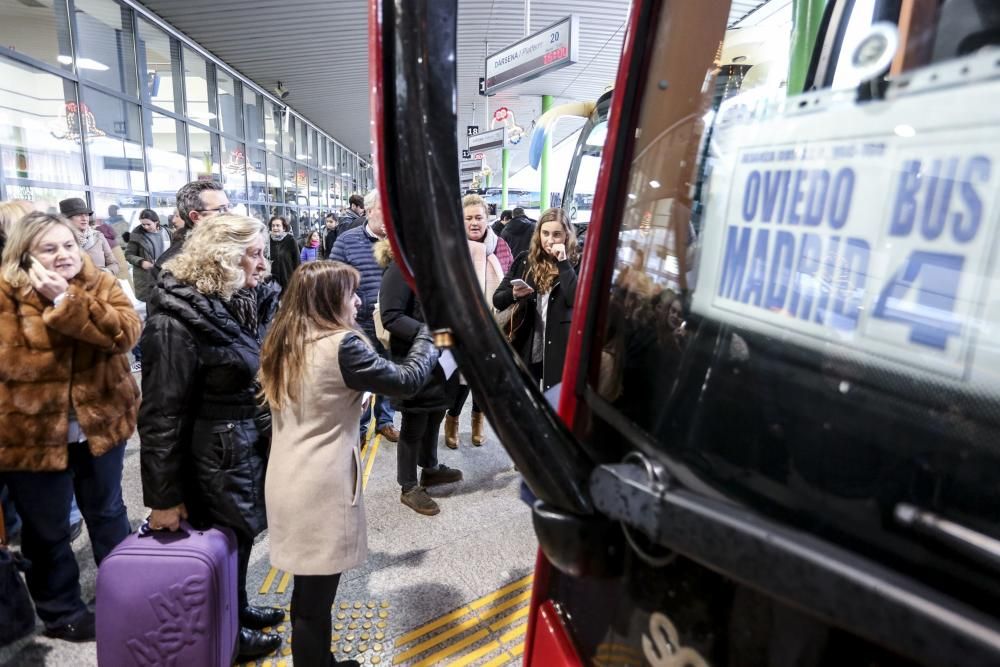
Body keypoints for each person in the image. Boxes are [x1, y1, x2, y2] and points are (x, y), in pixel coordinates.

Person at [260, 261, 438, 666]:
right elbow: (405, 380)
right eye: (350, 293)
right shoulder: (341, 345)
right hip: (321, 484)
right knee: (313, 601)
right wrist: (429, 334)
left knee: (308, 594)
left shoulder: (284, 338)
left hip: (288, 476)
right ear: (327, 301)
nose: (358, 301)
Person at [138, 213, 284, 662]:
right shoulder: (174, 321)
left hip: (236, 446)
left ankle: (236, 611)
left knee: (235, 542)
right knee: (222, 544)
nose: (264, 265)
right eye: (254, 255)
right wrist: (163, 497)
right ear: (223, 259)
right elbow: (161, 414)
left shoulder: (230, 301)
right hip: (213, 455)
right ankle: (227, 634)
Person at [0, 212, 139, 642]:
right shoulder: (6, 295)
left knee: (109, 513)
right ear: (25, 254)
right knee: (48, 529)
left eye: (68, 244)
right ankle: (61, 611)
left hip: (101, 425)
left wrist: (68, 304)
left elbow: (127, 334)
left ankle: (127, 594)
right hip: (32, 436)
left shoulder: (99, 283)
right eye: (49, 248)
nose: (63, 255)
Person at [377, 239, 463, 516]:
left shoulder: (434, 269)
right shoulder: (400, 270)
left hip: (441, 356)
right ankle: (408, 486)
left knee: (435, 413)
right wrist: (436, 336)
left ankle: (431, 468)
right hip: (415, 357)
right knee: (414, 424)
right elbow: (391, 317)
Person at [331, 190, 400, 444]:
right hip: (358, 324)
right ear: (369, 211)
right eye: (383, 210)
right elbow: (334, 280)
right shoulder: (347, 241)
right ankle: (359, 426)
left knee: (389, 372)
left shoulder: (400, 243)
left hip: (393, 324)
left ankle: (385, 421)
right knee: (360, 378)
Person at [445, 194, 513, 448]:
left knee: (484, 382)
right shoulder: (452, 248)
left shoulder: (502, 246)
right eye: (468, 218)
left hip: (493, 326)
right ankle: (451, 420)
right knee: (459, 381)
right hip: (460, 327)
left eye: (479, 217)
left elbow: (509, 279)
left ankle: (478, 421)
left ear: (488, 218)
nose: (474, 222)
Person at [493, 207, 579, 392]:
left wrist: (563, 263)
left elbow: (576, 299)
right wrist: (514, 293)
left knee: (553, 405)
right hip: (527, 345)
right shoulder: (525, 260)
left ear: (567, 236)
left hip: (559, 349)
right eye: (545, 233)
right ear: (538, 233)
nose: (550, 240)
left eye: (557, 234)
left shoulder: (577, 264)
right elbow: (498, 300)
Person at [125, 209, 171, 373]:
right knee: (150, 319)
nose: (145, 227)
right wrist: (141, 261)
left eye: (148, 224)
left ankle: (161, 353)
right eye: (143, 224)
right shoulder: (137, 235)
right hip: (147, 280)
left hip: (165, 279)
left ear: (156, 222)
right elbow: (128, 254)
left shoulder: (167, 233)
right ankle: (141, 357)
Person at [154, 181, 230, 272]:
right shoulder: (171, 265)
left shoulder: (233, 244)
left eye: (229, 206)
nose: (230, 213)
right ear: (196, 217)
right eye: (221, 209)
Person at [59, 198, 119, 276]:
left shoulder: (98, 236)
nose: (84, 219)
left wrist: (106, 272)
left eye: (86, 215)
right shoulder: (59, 240)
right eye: (78, 215)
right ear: (66, 219)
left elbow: (114, 264)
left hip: (101, 284)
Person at [268, 215, 300, 292]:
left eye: (278, 225)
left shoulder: (290, 240)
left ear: (284, 228)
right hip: (271, 281)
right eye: (273, 226)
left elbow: (297, 261)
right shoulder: (267, 241)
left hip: (287, 279)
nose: (275, 228)